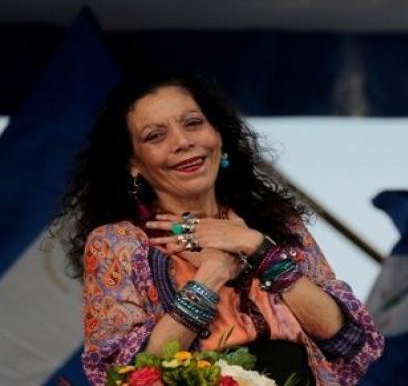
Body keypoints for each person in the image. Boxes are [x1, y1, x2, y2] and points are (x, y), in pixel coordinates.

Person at [53, 72, 383, 386]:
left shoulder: (276, 224)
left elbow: (348, 340)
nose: (183, 141)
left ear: (219, 136)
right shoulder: (119, 243)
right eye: (155, 135)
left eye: (193, 123)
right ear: (133, 164)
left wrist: (258, 248)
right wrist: (209, 277)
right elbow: (129, 374)